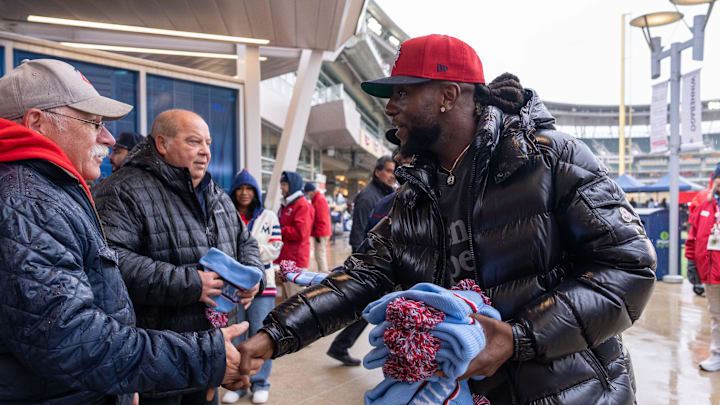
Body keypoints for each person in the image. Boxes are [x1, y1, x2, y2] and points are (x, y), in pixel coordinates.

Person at [235, 34, 656, 404]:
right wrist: (272, 336)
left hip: (572, 391)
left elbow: (629, 267)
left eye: (402, 93)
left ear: (448, 96)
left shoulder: (549, 157)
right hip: (463, 392)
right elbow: (363, 276)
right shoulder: (416, 193)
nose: (389, 108)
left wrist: (518, 337)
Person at [0, 59, 251, 404]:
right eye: (93, 123)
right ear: (36, 123)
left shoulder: (47, 190)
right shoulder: (29, 201)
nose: (108, 137)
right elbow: (70, 337)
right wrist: (202, 352)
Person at [93, 109, 264, 405]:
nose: (205, 152)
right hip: (156, 363)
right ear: (162, 143)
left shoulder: (216, 193)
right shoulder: (122, 190)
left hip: (211, 354)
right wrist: (192, 283)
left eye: (208, 143)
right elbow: (111, 261)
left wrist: (253, 274)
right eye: (194, 142)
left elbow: (245, 240)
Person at [326, 155, 396, 367]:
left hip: (382, 262)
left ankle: (340, 346)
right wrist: (363, 265)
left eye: (394, 171)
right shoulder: (369, 197)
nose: (392, 175)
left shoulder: (386, 194)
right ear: (377, 172)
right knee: (371, 307)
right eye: (388, 171)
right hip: (372, 263)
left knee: (369, 307)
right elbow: (358, 234)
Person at [223, 170, 283, 404]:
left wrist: (247, 255)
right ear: (234, 192)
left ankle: (261, 382)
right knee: (236, 336)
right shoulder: (227, 215)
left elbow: (275, 247)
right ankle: (238, 383)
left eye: (249, 189)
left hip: (262, 286)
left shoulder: (268, 216)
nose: (244, 193)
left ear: (256, 192)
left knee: (261, 335)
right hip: (233, 287)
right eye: (240, 189)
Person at [686, 170, 720, 371]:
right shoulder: (705, 204)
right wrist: (692, 262)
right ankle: (717, 354)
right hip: (710, 273)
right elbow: (693, 235)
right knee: (716, 315)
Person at [274, 171, 314, 298]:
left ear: (293, 185)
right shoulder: (286, 204)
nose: (281, 188)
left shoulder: (302, 205)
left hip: (296, 261)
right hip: (285, 259)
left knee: (295, 300)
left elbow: (299, 233)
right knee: (286, 298)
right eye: (281, 184)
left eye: (284, 184)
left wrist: (279, 230)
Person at [304, 182, 332, 273]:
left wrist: (318, 235)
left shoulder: (319, 200)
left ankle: (324, 274)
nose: (307, 195)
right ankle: (322, 272)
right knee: (318, 254)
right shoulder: (317, 199)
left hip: (321, 232)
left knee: (320, 254)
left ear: (311, 192)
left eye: (307, 193)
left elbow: (321, 218)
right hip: (321, 231)